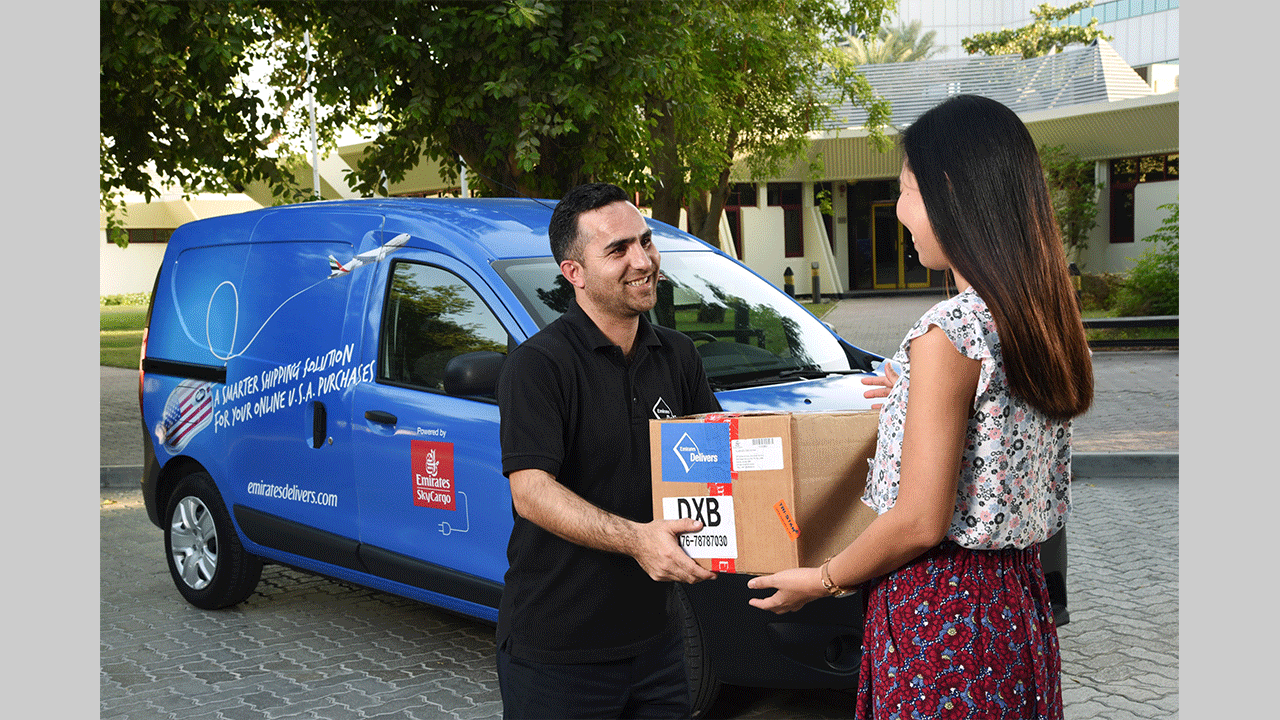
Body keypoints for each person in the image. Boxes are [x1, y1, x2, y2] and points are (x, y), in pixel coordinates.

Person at [746, 94, 1094, 720]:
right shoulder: (1036, 318)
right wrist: (913, 395)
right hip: (1015, 604)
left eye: (906, 190)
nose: (901, 209)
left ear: (951, 195)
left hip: (943, 614)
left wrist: (822, 579)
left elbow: (918, 521)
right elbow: (994, 430)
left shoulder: (951, 331)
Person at [495, 182, 722, 719]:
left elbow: (718, 459)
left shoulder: (678, 355)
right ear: (573, 272)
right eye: (618, 250)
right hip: (558, 655)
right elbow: (531, 492)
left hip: (658, 646)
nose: (643, 261)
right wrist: (638, 540)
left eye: (645, 241)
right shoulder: (538, 366)